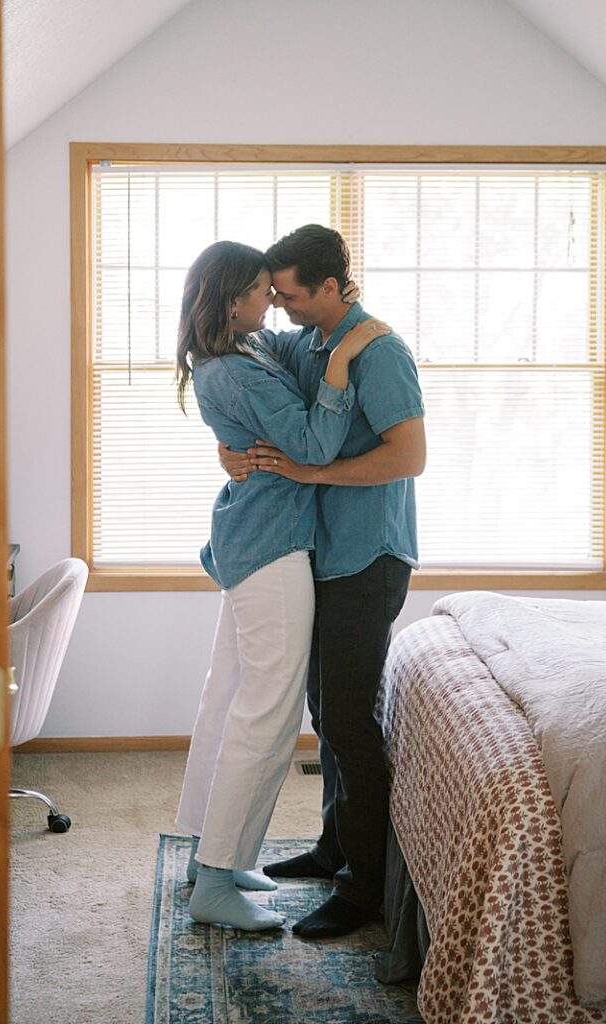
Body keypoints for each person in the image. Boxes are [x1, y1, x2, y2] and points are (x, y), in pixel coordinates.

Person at [173, 240, 389, 931]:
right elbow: (313, 446)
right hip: (271, 548)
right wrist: (347, 361)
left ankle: (214, 854)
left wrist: (338, 337)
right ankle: (213, 881)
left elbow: (271, 399)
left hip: (256, 540)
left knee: (232, 697)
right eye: (264, 290)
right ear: (232, 297)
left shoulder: (248, 350)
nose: (274, 301)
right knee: (266, 713)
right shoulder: (234, 368)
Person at [219, 224, 426, 938]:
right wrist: (229, 445)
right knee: (323, 711)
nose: (276, 306)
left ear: (331, 287)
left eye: (290, 294)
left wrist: (315, 472)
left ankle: (363, 887)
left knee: (347, 720)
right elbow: (243, 383)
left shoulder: (380, 351)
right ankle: (335, 845)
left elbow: (410, 457)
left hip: (368, 557)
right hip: (321, 555)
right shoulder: (303, 343)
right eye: (271, 294)